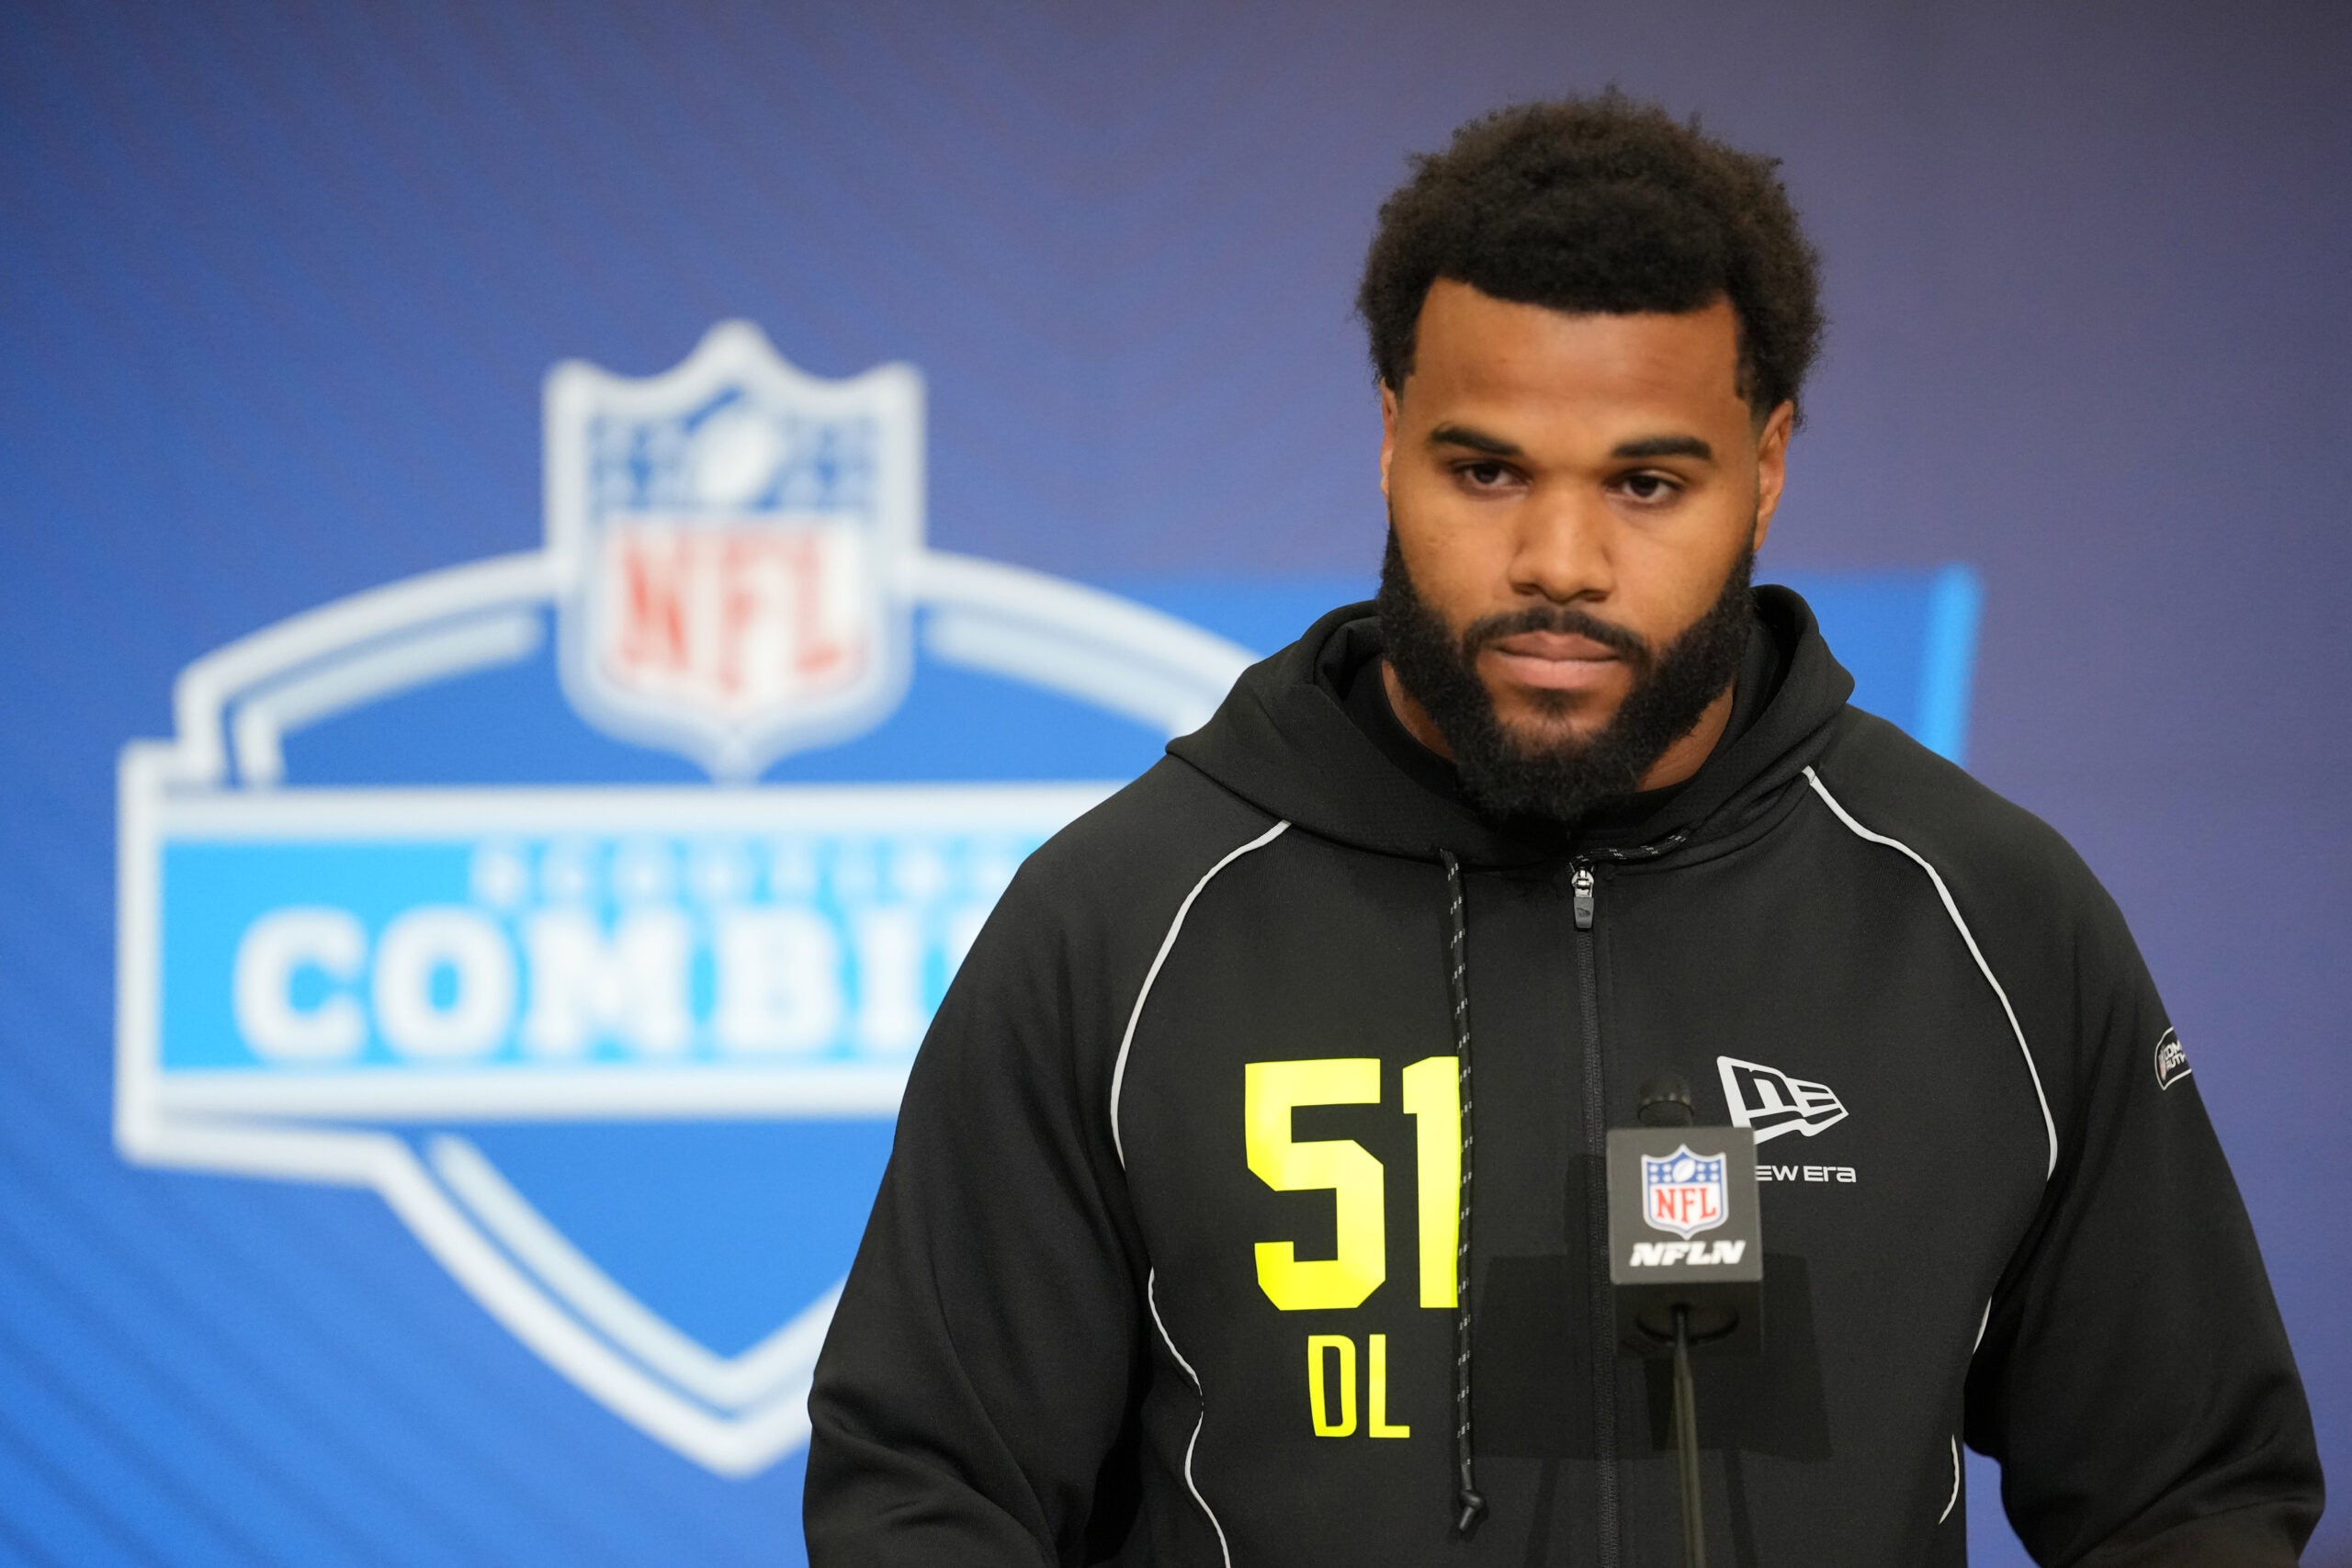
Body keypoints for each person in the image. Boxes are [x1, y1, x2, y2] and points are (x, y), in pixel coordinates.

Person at [803, 96, 2323, 1565]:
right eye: (1486, 471)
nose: (1559, 561)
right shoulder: (1122, 923)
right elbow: (928, 1497)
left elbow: (2183, 1497)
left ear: (1770, 466)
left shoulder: (1984, 916)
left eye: (1648, 483)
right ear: (1389, 437)